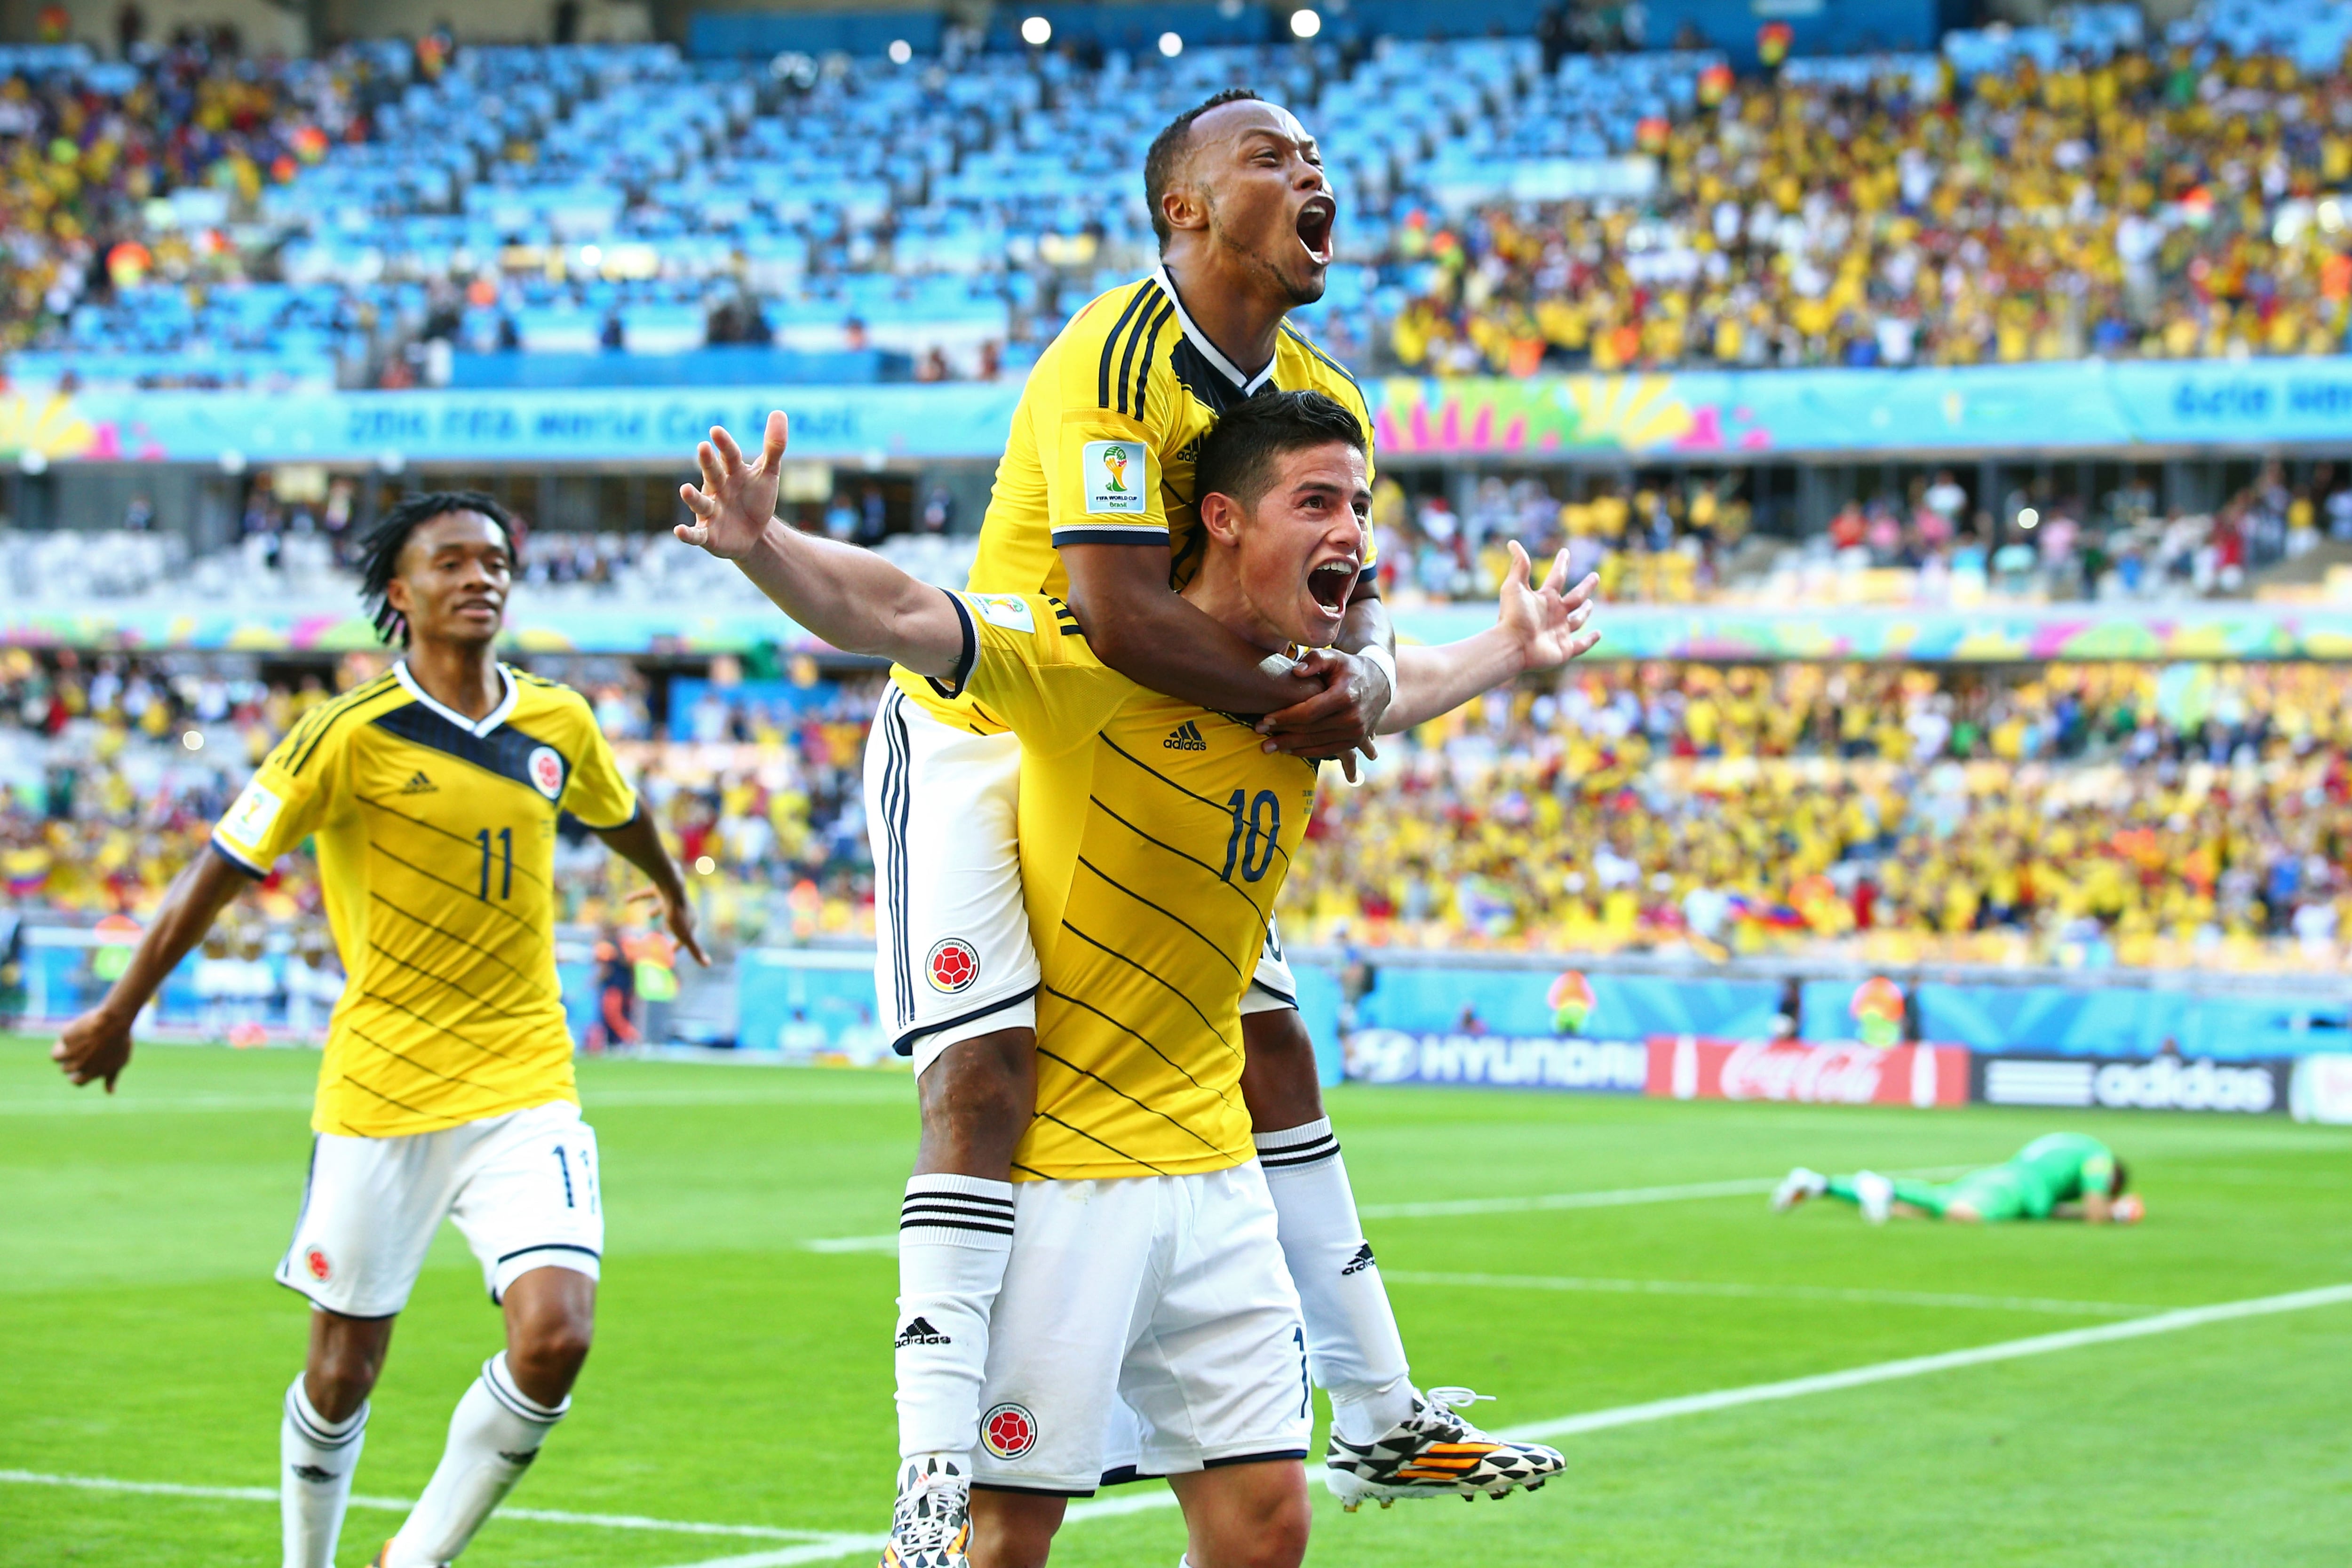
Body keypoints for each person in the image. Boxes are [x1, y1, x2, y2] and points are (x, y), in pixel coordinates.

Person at [830, 86, 1569, 1555]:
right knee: (986, 1075)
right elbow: (1109, 612)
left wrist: (1358, 672)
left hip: (1172, 735)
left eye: (1316, 156)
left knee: (1271, 1045)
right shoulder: (1116, 353)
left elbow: (1349, 604)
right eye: (1270, 156)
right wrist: (1317, 691)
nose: (1311, 173)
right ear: (1185, 207)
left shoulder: (1327, 395)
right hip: (992, 728)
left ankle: (1379, 1412)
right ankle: (929, 1472)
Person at [679, 389, 1590, 1568]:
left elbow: (1402, 687)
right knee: (1002, 1544)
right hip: (1068, 1189)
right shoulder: (1086, 667)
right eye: (1314, 503)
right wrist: (767, 545)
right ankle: (926, 1472)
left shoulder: (1308, 696)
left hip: (1218, 1185)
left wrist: (1512, 647)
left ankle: (1381, 1411)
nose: (1350, 531)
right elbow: (903, 611)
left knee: (1264, 1530)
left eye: (1358, 505)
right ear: (1219, 519)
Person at [50, 492, 707, 1568]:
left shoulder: (558, 723)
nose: (479, 575)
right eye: (450, 561)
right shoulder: (343, 737)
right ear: (401, 596)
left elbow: (615, 811)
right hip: (382, 1092)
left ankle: (415, 1558)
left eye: (494, 559)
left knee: (558, 1337)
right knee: (343, 1371)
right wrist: (121, 1013)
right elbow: (215, 875)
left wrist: (671, 891)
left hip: (525, 1079)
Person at [1773, 1132, 2142, 1225]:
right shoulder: (2099, 1157)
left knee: (1919, 1209)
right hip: (2012, 1187)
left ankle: (1819, 1184)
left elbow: (2055, 1210)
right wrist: (2118, 1213)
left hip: (2002, 1175)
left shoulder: (2067, 1147)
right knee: (1963, 1214)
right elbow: (2095, 1211)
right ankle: (1882, 1187)